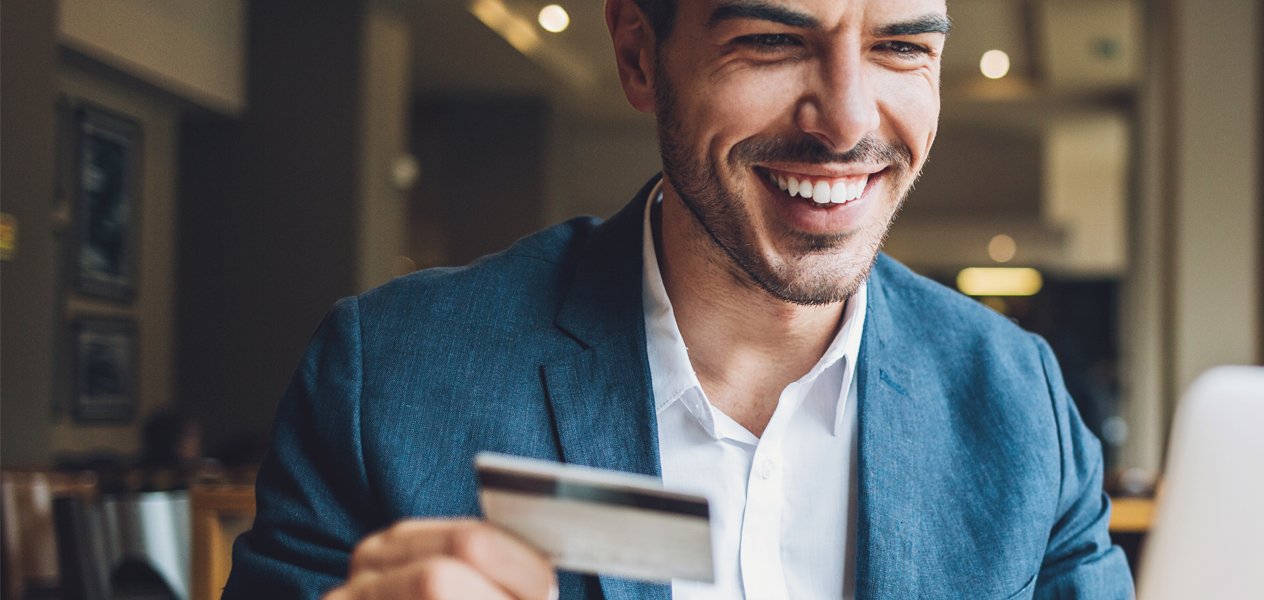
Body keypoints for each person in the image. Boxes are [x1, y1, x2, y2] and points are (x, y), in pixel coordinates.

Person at [221, 0, 1133, 598]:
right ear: (638, 55)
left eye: (900, 47)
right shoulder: (387, 375)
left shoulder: (1024, 404)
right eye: (772, 42)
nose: (850, 121)